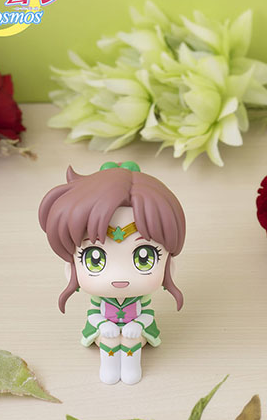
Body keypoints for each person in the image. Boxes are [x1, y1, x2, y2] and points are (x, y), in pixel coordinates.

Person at [39, 161, 186, 384]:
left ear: (169, 265)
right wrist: (103, 325)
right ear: (70, 269)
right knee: (109, 341)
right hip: (104, 333)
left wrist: (137, 326)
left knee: (130, 340)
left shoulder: (141, 299)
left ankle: (131, 366)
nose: (119, 276)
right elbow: (94, 313)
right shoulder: (100, 300)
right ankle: (109, 366)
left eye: (144, 258)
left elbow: (146, 313)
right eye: (95, 259)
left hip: (136, 333)